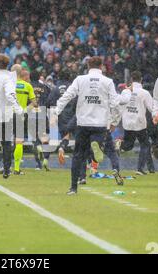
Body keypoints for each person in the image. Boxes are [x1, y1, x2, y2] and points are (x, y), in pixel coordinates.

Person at [55, 57, 123, 195]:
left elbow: (68, 95)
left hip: (83, 123)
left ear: (87, 65)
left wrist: (57, 110)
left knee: (78, 155)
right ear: (102, 66)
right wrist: (115, 121)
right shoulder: (108, 81)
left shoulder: (80, 79)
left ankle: (73, 188)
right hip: (100, 124)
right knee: (97, 146)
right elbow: (115, 103)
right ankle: (96, 148)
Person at [116, 71, 154, 176]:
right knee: (145, 145)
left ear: (131, 80)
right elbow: (152, 108)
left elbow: (120, 106)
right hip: (139, 123)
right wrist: (156, 117)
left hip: (127, 122)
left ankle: (120, 144)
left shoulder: (125, 91)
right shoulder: (144, 93)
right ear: (141, 80)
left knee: (128, 146)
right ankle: (140, 168)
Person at [11, 65, 37, 175]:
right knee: (19, 141)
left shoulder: (9, 85)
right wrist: (25, 110)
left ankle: (3, 165)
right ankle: (16, 168)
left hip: (7, 114)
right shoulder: (27, 86)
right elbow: (34, 103)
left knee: (5, 141)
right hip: (20, 115)